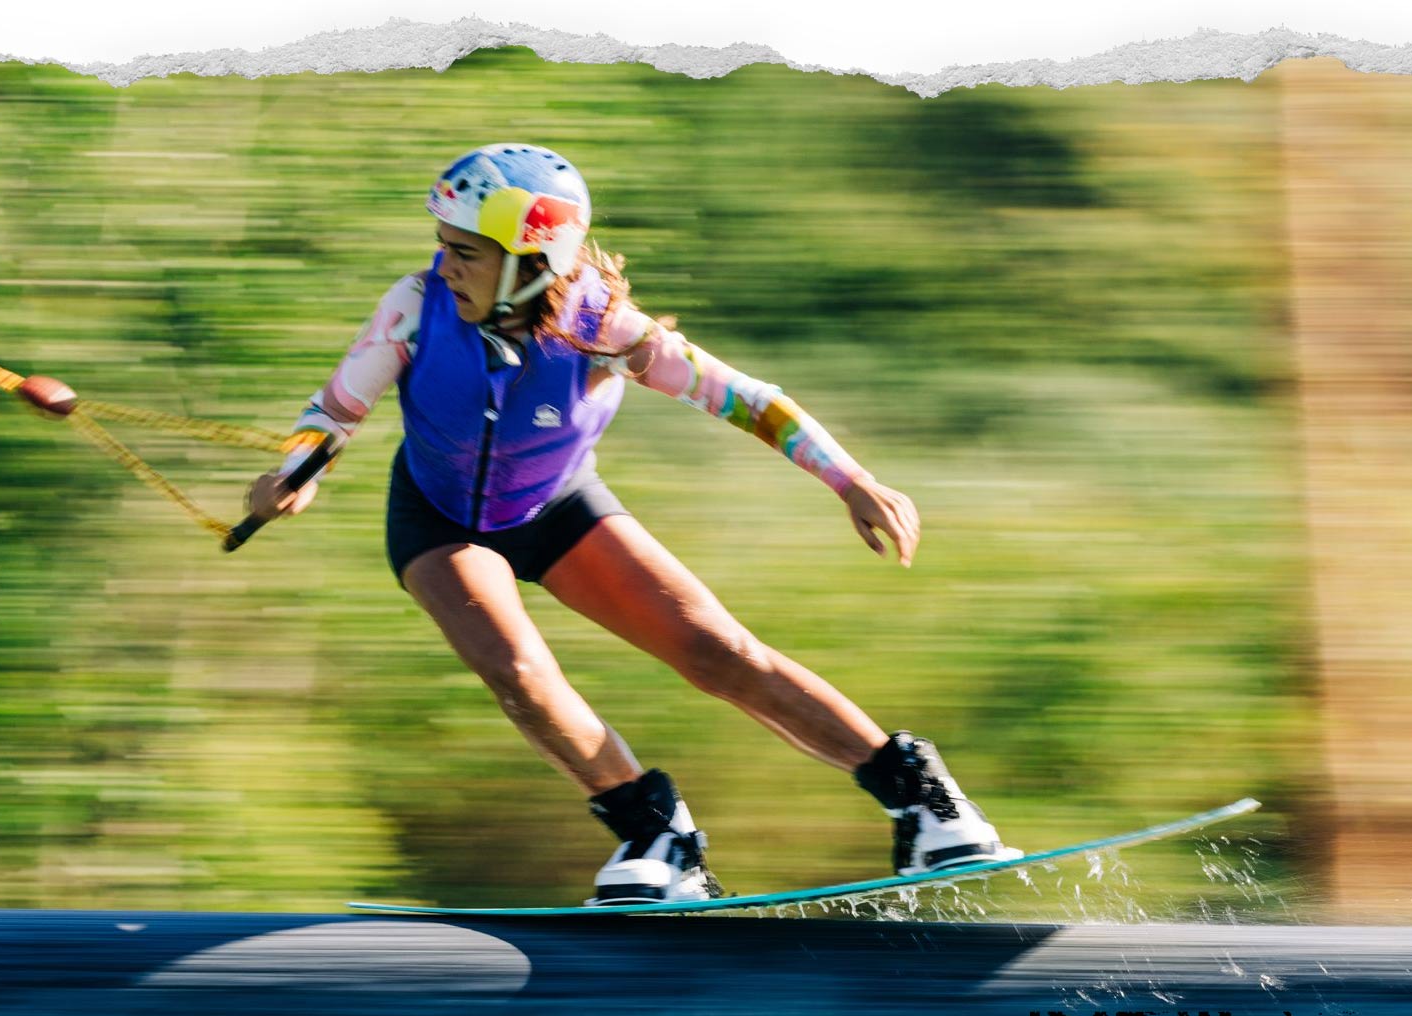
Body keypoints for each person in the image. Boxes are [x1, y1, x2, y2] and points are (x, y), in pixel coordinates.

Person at [247, 143, 1019, 905]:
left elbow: (745, 398)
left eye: (466, 254)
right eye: (442, 247)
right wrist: (296, 472)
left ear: (531, 261)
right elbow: (336, 411)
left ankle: (921, 801)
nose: (445, 266)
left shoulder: (606, 328)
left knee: (718, 652)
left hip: (556, 506)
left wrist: (852, 480)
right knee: (515, 669)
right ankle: (655, 834)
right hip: (439, 516)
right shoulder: (415, 305)